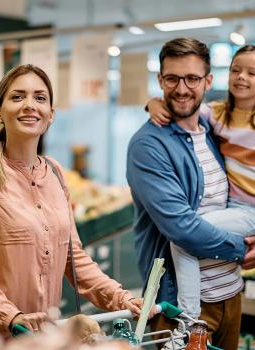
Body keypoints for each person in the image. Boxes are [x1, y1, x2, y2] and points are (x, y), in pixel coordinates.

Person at [0, 64, 144, 338]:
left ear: (51, 114)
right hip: (3, 336)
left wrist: (121, 298)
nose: (29, 105)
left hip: (45, 337)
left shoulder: (55, 173)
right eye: (17, 97)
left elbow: (74, 259)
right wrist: (10, 315)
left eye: (40, 98)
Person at [126, 38, 255, 350]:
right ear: (160, 80)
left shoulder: (212, 131)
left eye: (192, 78)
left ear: (207, 81)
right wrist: (243, 249)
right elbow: (181, 228)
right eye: (172, 78)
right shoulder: (149, 145)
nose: (182, 89)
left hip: (229, 294)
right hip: (180, 310)